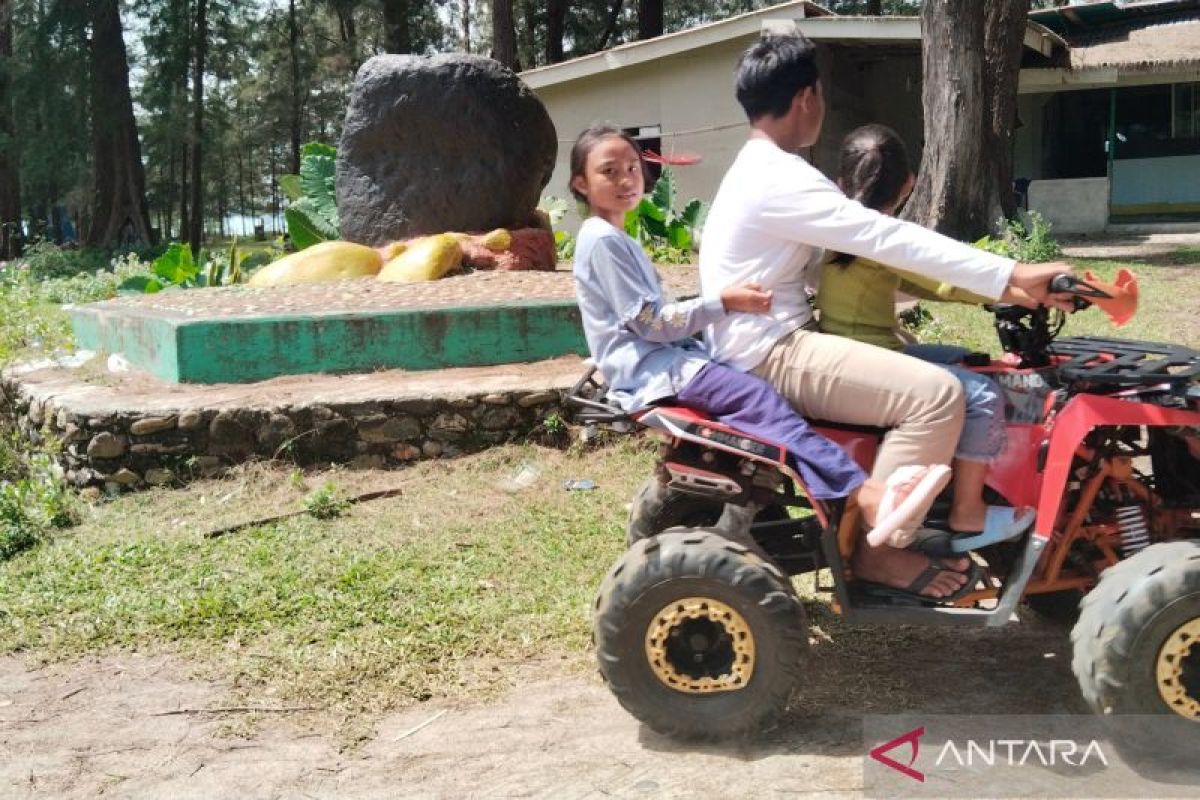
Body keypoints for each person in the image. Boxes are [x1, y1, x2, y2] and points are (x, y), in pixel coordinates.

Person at [698, 33, 1074, 600]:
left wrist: (998, 283)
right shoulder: (779, 176)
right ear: (807, 98)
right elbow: (884, 236)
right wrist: (1010, 274)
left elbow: (832, 264)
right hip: (772, 350)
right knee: (938, 395)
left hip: (768, 338)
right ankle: (878, 554)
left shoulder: (763, 171)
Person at [569, 124, 956, 568]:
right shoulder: (602, 241)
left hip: (663, 360)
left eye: (633, 167)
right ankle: (863, 493)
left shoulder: (613, 236)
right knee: (763, 403)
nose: (625, 179)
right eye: (609, 171)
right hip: (655, 369)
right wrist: (725, 303)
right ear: (581, 182)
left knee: (762, 405)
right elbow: (649, 321)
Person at [817, 123, 1036, 546]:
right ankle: (967, 510)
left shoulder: (841, 230)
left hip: (854, 349)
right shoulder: (881, 235)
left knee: (964, 357)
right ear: (909, 185)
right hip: (871, 357)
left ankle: (951, 478)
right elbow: (945, 279)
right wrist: (1014, 290)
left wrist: (981, 296)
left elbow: (919, 283)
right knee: (984, 395)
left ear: (841, 183)